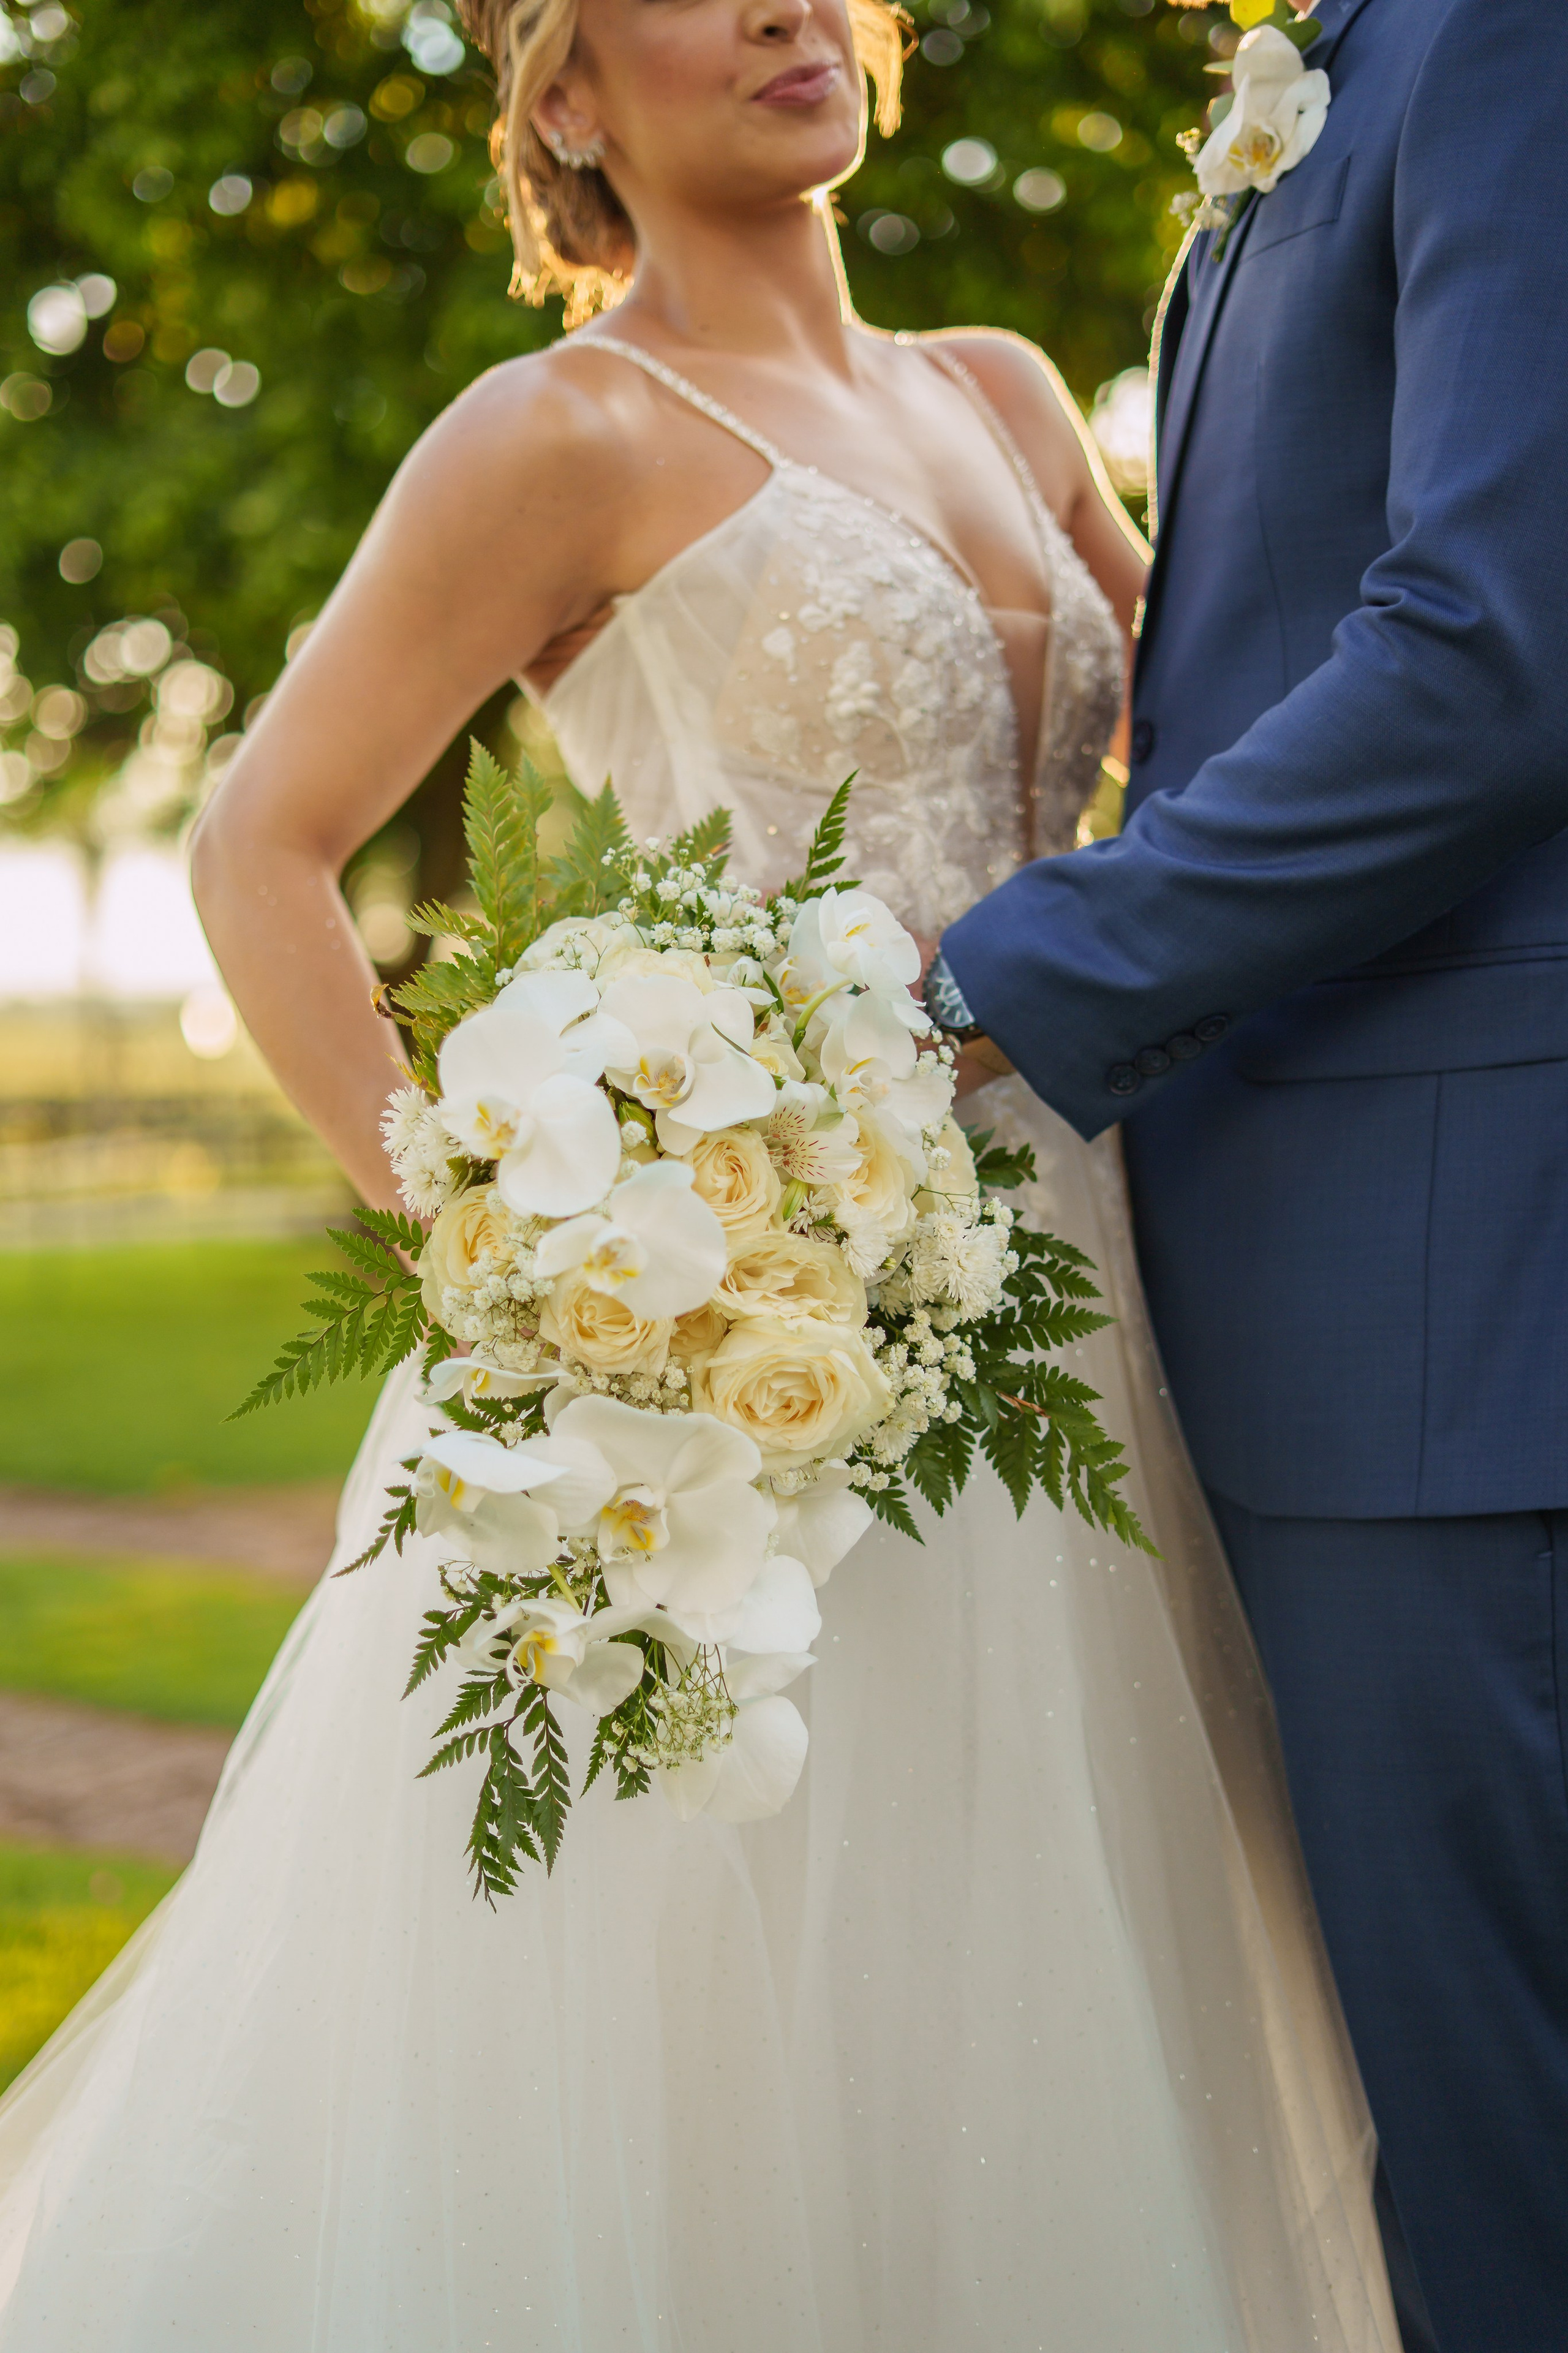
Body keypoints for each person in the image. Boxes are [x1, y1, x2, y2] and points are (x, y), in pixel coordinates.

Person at [0, 0, 1400, 2344]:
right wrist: (522, 1262)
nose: (781, 7)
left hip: (1085, 1303)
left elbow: (1204, 772)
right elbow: (265, 847)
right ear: (563, 93)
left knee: (1070, 1962)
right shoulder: (554, 435)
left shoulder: (1005, 392)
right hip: (717, 1346)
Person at [938, 2, 1568, 2347]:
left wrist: (997, 981)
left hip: (1465, 1304)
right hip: (1324, 1298)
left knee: (1510, 2180)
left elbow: (1490, 648)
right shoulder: (1336, 58)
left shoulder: (1501, 37)